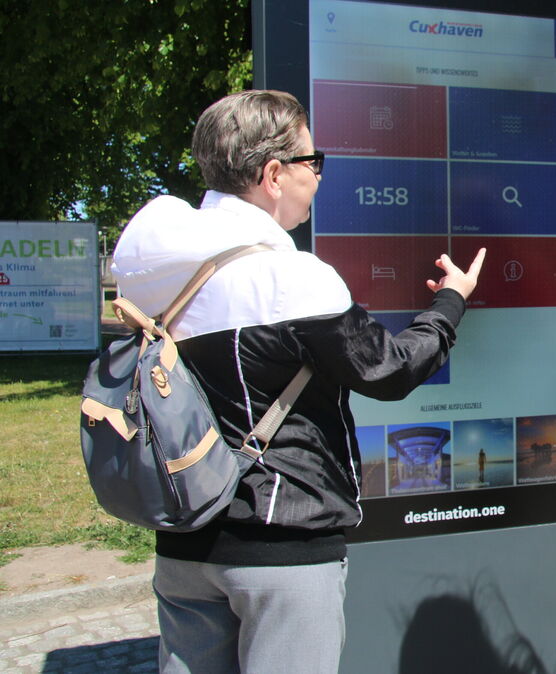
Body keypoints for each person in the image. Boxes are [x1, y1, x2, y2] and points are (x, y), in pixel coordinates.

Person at [110, 89, 486, 673]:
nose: (319, 177)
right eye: (314, 163)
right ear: (273, 174)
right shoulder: (290, 277)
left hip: (183, 539)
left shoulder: (154, 268)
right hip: (280, 545)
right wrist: (451, 305)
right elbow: (388, 370)